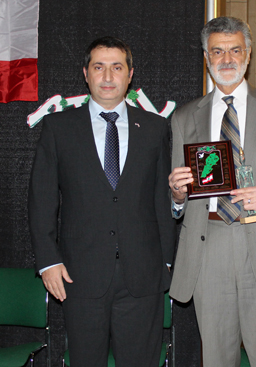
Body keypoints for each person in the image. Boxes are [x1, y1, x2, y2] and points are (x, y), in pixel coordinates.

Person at [168, 16, 256, 367]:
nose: (227, 59)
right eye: (217, 51)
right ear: (206, 57)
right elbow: (179, 198)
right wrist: (176, 195)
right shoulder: (184, 117)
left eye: (235, 50)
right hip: (208, 251)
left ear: (248, 55)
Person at [29, 36, 175, 367]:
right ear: (85, 73)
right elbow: (41, 200)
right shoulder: (58, 128)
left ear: (130, 74)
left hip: (144, 276)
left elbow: (160, 198)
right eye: (99, 67)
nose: (107, 77)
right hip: (79, 277)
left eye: (116, 67)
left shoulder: (154, 128)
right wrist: (48, 261)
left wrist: (166, 261)